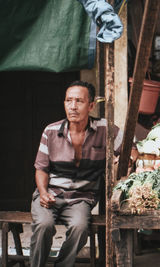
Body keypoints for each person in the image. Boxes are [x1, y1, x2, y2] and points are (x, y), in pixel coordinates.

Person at [30, 80, 122, 266]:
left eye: (79, 101)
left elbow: (131, 148)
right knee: (43, 225)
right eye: (68, 100)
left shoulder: (105, 129)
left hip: (81, 198)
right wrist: (43, 192)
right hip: (51, 194)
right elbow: (41, 168)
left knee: (80, 228)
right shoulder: (51, 131)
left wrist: (124, 160)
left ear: (91, 106)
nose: (72, 106)